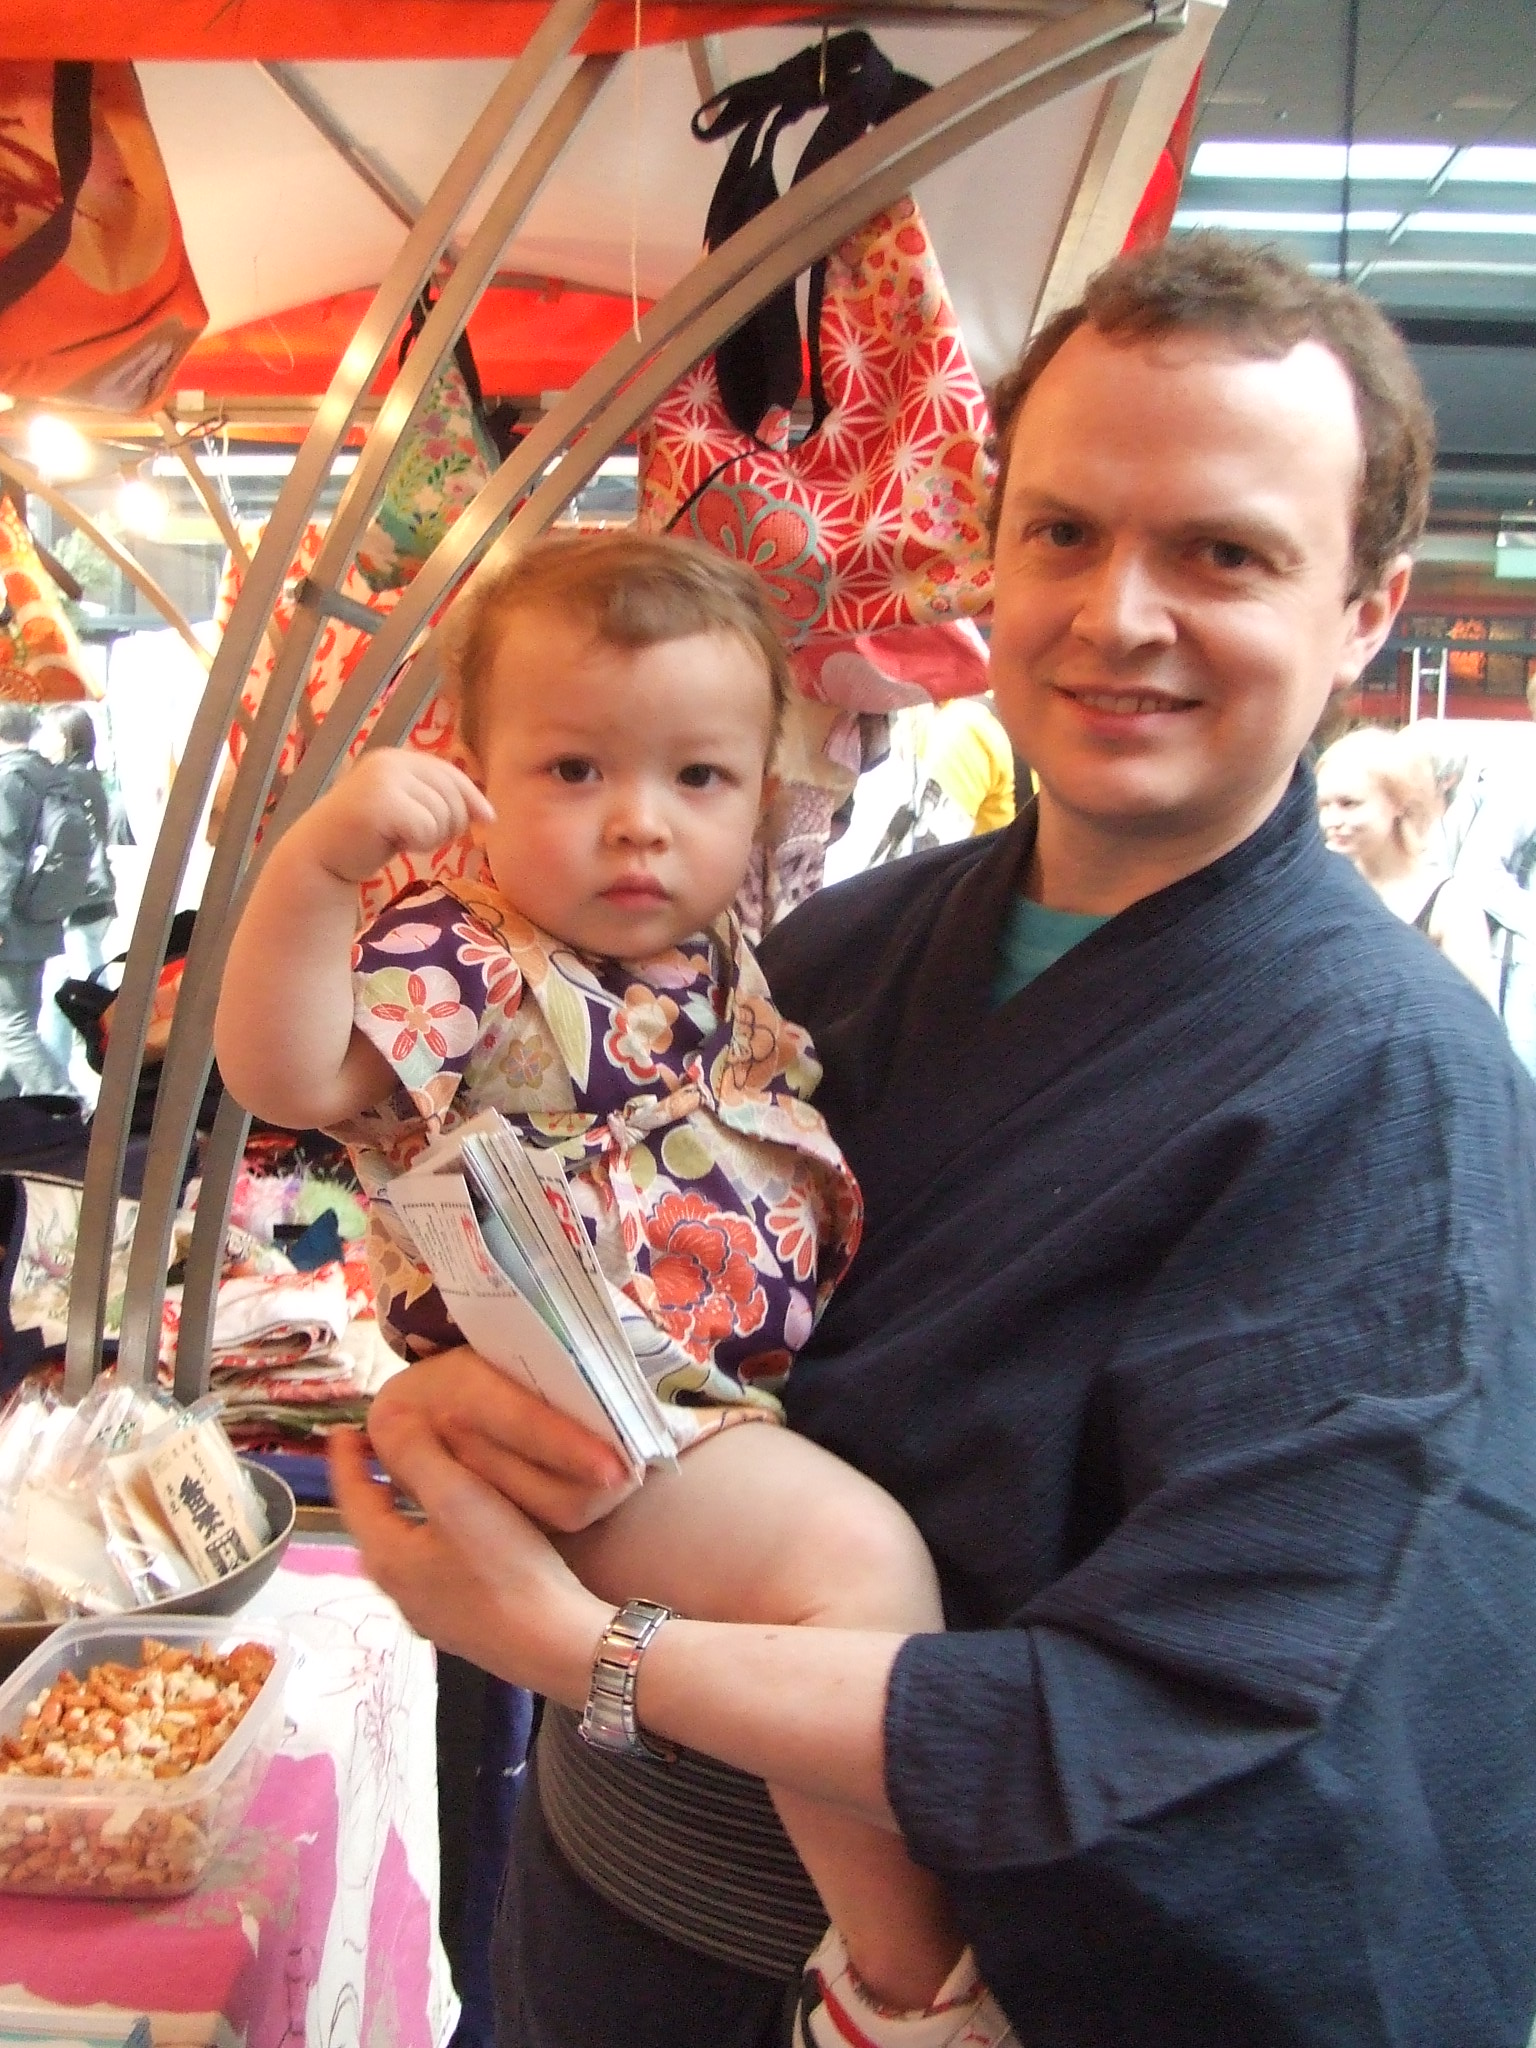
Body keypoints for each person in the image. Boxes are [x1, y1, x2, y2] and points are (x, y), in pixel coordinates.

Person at [329, 234, 1536, 2048]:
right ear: (990, 556)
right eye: (1065, 532)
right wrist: (470, 1391)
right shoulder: (832, 948)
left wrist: (586, 1650)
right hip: (608, 1920)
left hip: (947, 1992)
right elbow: (619, 1299)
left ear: (1365, 609)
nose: (1119, 613)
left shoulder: (1392, 1093)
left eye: (1222, 553)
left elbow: (1223, 1702)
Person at [215, 531, 1018, 2048]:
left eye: (696, 777)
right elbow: (290, 1069)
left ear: (764, 791)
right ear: (480, 775)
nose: (639, 822)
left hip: (692, 1405)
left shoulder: (714, 957)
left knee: (839, 1576)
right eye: (575, 769)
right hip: (600, 1411)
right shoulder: (470, 948)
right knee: (854, 1572)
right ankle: (906, 1990)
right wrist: (320, 868)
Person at [1314, 724, 1496, 999]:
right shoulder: (1319, 891)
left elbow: (1476, 1016)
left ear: (1399, 803)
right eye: (1322, 806)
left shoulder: (1450, 905)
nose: (1331, 820)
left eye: (1349, 803)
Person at [34, 704, 116, 1101]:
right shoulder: (87, 777)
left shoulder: (68, 780)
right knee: (61, 990)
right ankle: (54, 1084)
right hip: (89, 899)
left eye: (50, 732)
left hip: (79, 901)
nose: (42, 739)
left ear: (68, 737)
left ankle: (117, 1068)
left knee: (89, 993)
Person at [0, 700, 73, 1100]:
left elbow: (3, 857)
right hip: (39, 917)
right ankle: (15, 1110)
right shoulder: (48, 775)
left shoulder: (8, 779)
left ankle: (66, 1101)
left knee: (11, 1028)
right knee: (19, 1022)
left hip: (9, 924)